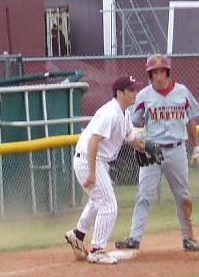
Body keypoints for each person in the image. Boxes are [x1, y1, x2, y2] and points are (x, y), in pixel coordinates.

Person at [115, 54, 199, 253]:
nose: (159, 75)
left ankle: (188, 237)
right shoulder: (144, 95)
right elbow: (133, 120)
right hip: (151, 149)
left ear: (168, 72)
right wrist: (134, 134)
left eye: (162, 71)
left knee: (183, 195)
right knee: (144, 195)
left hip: (177, 149)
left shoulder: (182, 92)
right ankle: (134, 238)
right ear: (149, 74)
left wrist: (196, 146)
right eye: (154, 72)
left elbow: (190, 120)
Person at [64, 74, 150, 265]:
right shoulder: (109, 113)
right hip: (89, 160)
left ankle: (77, 235)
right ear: (120, 93)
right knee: (109, 205)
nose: (135, 93)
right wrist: (92, 173)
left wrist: (147, 147)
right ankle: (97, 250)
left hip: (96, 161)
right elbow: (93, 141)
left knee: (97, 201)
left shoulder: (124, 113)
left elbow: (131, 138)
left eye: (136, 89)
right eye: (131, 90)